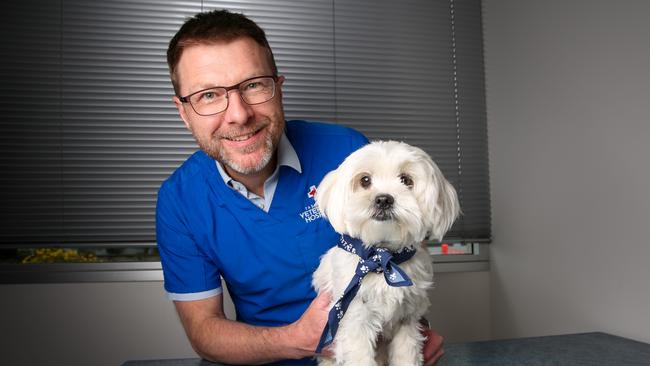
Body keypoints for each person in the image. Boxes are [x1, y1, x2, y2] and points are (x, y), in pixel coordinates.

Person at [157, 9, 444, 365]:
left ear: (278, 86)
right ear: (183, 112)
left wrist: (409, 333)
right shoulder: (179, 200)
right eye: (208, 96)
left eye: (253, 85)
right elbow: (204, 331)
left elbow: (405, 251)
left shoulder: (349, 153)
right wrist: (297, 341)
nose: (238, 114)